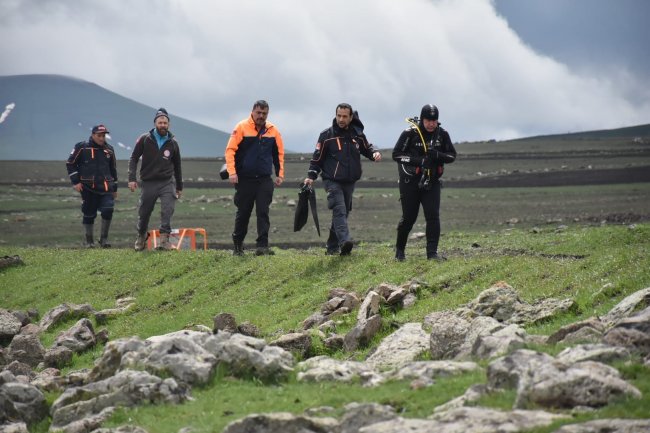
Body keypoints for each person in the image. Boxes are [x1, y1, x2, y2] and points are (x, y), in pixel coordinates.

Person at [303, 103, 381, 255]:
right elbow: (317, 158)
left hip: (349, 181)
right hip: (332, 180)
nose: (341, 119)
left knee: (343, 213)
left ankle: (332, 247)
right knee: (339, 209)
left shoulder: (357, 135)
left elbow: (367, 148)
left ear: (351, 117)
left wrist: (374, 153)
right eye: (339, 115)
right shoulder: (327, 135)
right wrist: (311, 176)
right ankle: (344, 242)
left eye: (345, 116)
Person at [392, 104, 457, 261]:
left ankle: (432, 254)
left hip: (432, 181)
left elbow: (452, 156)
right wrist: (419, 161)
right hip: (410, 182)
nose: (431, 124)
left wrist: (437, 155)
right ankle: (399, 252)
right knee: (409, 218)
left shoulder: (442, 134)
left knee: (433, 216)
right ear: (422, 119)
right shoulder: (410, 133)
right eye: (428, 120)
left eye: (434, 120)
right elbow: (396, 155)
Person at [224, 100, 285, 256]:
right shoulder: (241, 127)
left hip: (264, 179)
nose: (261, 116)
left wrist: (280, 174)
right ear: (252, 112)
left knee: (263, 212)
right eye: (258, 112)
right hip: (245, 179)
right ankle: (238, 246)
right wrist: (232, 172)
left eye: (264, 113)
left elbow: (278, 153)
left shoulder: (273, 130)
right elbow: (230, 150)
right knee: (243, 213)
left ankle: (262, 247)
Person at [128, 108, 183, 251]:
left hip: (167, 182)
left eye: (165, 123)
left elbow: (177, 165)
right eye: (160, 123)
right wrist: (132, 178)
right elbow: (134, 158)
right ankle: (141, 236)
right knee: (144, 212)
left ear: (168, 124)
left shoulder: (173, 143)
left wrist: (179, 187)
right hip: (149, 182)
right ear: (155, 124)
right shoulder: (145, 139)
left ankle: (164, 241)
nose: (163, 125)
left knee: (167, 209)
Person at [66, 124, 118, 248]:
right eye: (99, 135)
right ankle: (89, 242)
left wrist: (114, 188)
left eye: (103, 136)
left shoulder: (109, 150)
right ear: (93, 135)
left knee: (108, 209)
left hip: (106, 188)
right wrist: (76, 182)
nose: (101, 138)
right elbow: (70, 163)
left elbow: (113, 170)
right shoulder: (82, 147)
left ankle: (104, 240)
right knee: (89, 214)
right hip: (88, 188)